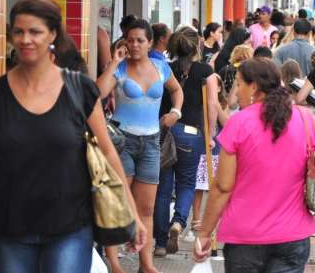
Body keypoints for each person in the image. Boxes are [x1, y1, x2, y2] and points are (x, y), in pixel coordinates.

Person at [0, 0, 146, 273]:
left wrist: (133, 213)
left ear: (53, 34)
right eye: (19, 31)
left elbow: (109, 152)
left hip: (70, 230)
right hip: (7, 232)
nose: (26, 39)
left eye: (35, 31)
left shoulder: (80, 90)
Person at [192, 58, 315, 271]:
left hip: (245, 238)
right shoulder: (306, 119)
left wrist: (205, 233)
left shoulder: (239, 123)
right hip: (292, 237)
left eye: (239, 83)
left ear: (253, 87)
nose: (237, 90)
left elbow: (222, 187)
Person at [97, 18, 184, 273]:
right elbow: (98, 93)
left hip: (152, 142)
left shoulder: (161, 67)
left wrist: (176, 112)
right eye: (130, 40)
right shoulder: (120, 68)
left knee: (146, 207)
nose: (134, 45)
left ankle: (146, 264)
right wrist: (113, 61)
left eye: (140, 40)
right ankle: (113, 262)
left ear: (150, 43)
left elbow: (177, 91)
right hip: (122, 140)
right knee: (119, 201)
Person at [154, 26, 218, 257]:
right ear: (195, 46)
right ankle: (179, 221)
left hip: (164, 131)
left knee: (163, 188)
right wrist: (210, 135)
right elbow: (211, 105)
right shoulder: (205, 71)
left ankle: (160, 244)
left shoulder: (164, 68)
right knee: (187, 183)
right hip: (192, 133)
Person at [190, 74, 229, 243]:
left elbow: (226, 123)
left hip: (216, 149)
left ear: (220, 88)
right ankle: (196, 219)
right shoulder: (198, 103)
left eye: (216, 86)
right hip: (200, 147)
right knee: (198, 186)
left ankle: (213, 220)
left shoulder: (223, 104)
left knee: (214, 186)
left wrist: (215, 104)